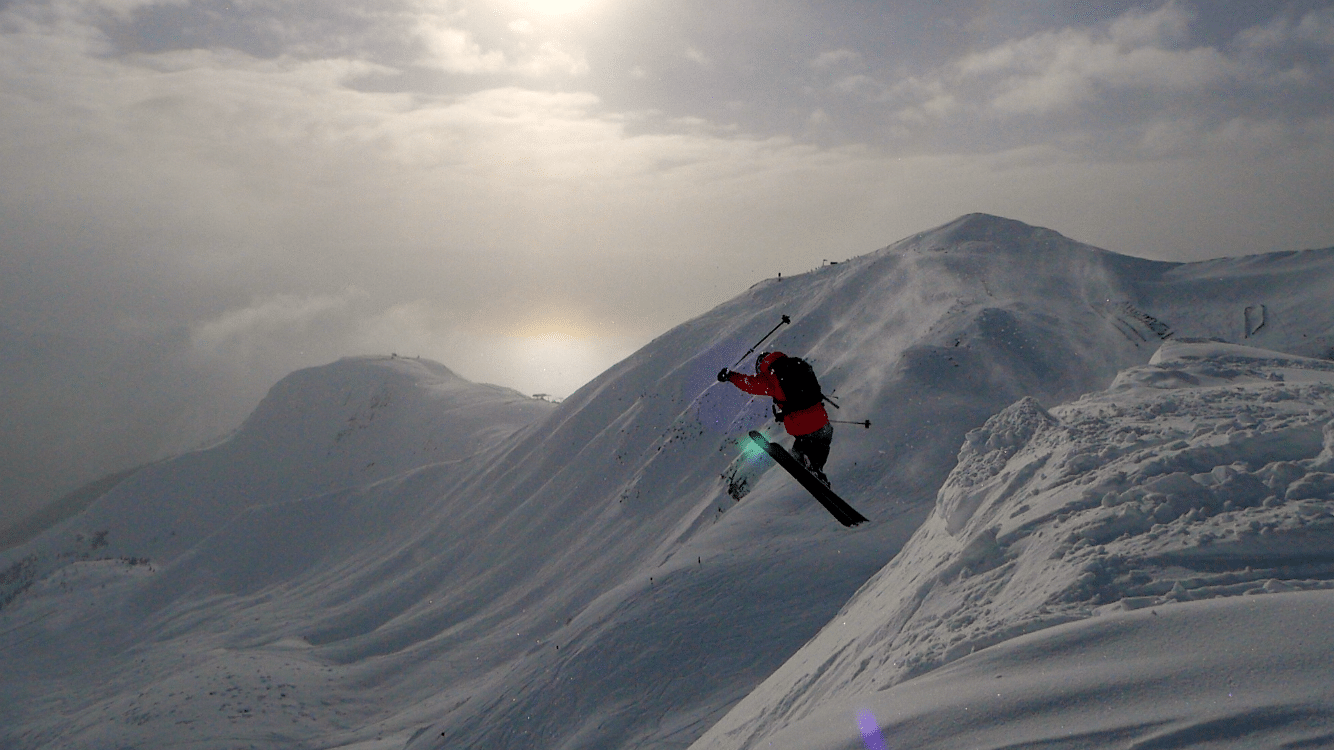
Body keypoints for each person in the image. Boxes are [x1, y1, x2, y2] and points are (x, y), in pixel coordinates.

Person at [718, 351, 834, 485]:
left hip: (800, 423)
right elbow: (805, 393)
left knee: (804, 439)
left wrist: (730, 375)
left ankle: (801, 459)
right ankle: (815, 467)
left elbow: (750, 384)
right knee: (822, 439)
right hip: (821, 419)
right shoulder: (799, 364)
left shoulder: (771, 375)